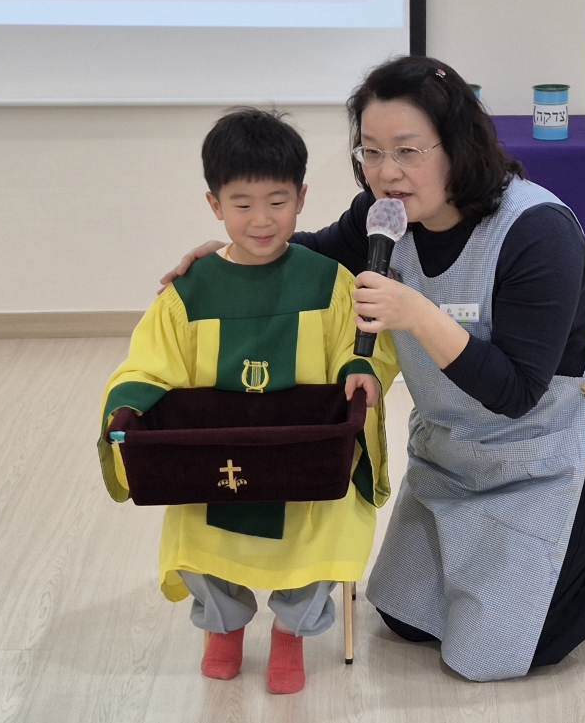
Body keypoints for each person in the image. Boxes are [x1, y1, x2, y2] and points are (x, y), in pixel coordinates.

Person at [161, 57, 585, 682]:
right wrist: (235, 255)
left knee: (496, 656)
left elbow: (516, 391)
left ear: (457, 145)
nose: (386, 172)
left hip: (549, 449)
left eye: (407, 151)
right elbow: (312, 256)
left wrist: (419, 315)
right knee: (405, 621)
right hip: (452, 450)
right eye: (371, 152)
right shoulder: (381, 215)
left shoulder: (538, 230)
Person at [98, 108, 398, 694]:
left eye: (277, 201)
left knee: (329, 524)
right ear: (215, 205)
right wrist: (128, 400)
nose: (261, 219)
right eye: (242, 204)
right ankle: (224, 627)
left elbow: (361, 347)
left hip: (302, 456)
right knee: (194, 531)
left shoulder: (329, 281)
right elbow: (149, 362)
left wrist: (362, 369)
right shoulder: (190, 292)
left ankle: (291, 633)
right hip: (219, 458)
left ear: (302, 198)